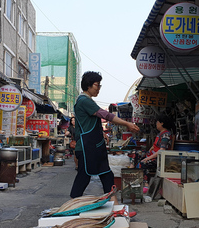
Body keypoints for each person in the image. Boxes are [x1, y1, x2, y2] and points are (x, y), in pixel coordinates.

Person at [70, 71, 139, 202]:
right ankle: (71, 206)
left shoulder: (87, 100)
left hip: (94, 146)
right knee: (84, 177)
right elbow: (105, 115)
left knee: (106, 175)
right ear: (88, 85)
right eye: (97, 85)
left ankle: (116, 208)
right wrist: (126, 123)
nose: (99, 88)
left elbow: (91, 123)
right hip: (87, 147)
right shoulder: (84, 100)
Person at [136, 114, 176, 191]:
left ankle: (146, 184)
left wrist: (148, 158)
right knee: (137, 154)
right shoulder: (160, 133)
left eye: (157, 122)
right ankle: (132, 175)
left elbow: (161, 150)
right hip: (153, 155)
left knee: (143, 163)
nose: (156, 123)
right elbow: (155, 146)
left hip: (160, 159)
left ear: (162, 123)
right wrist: (150, 150)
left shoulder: (166, 135)